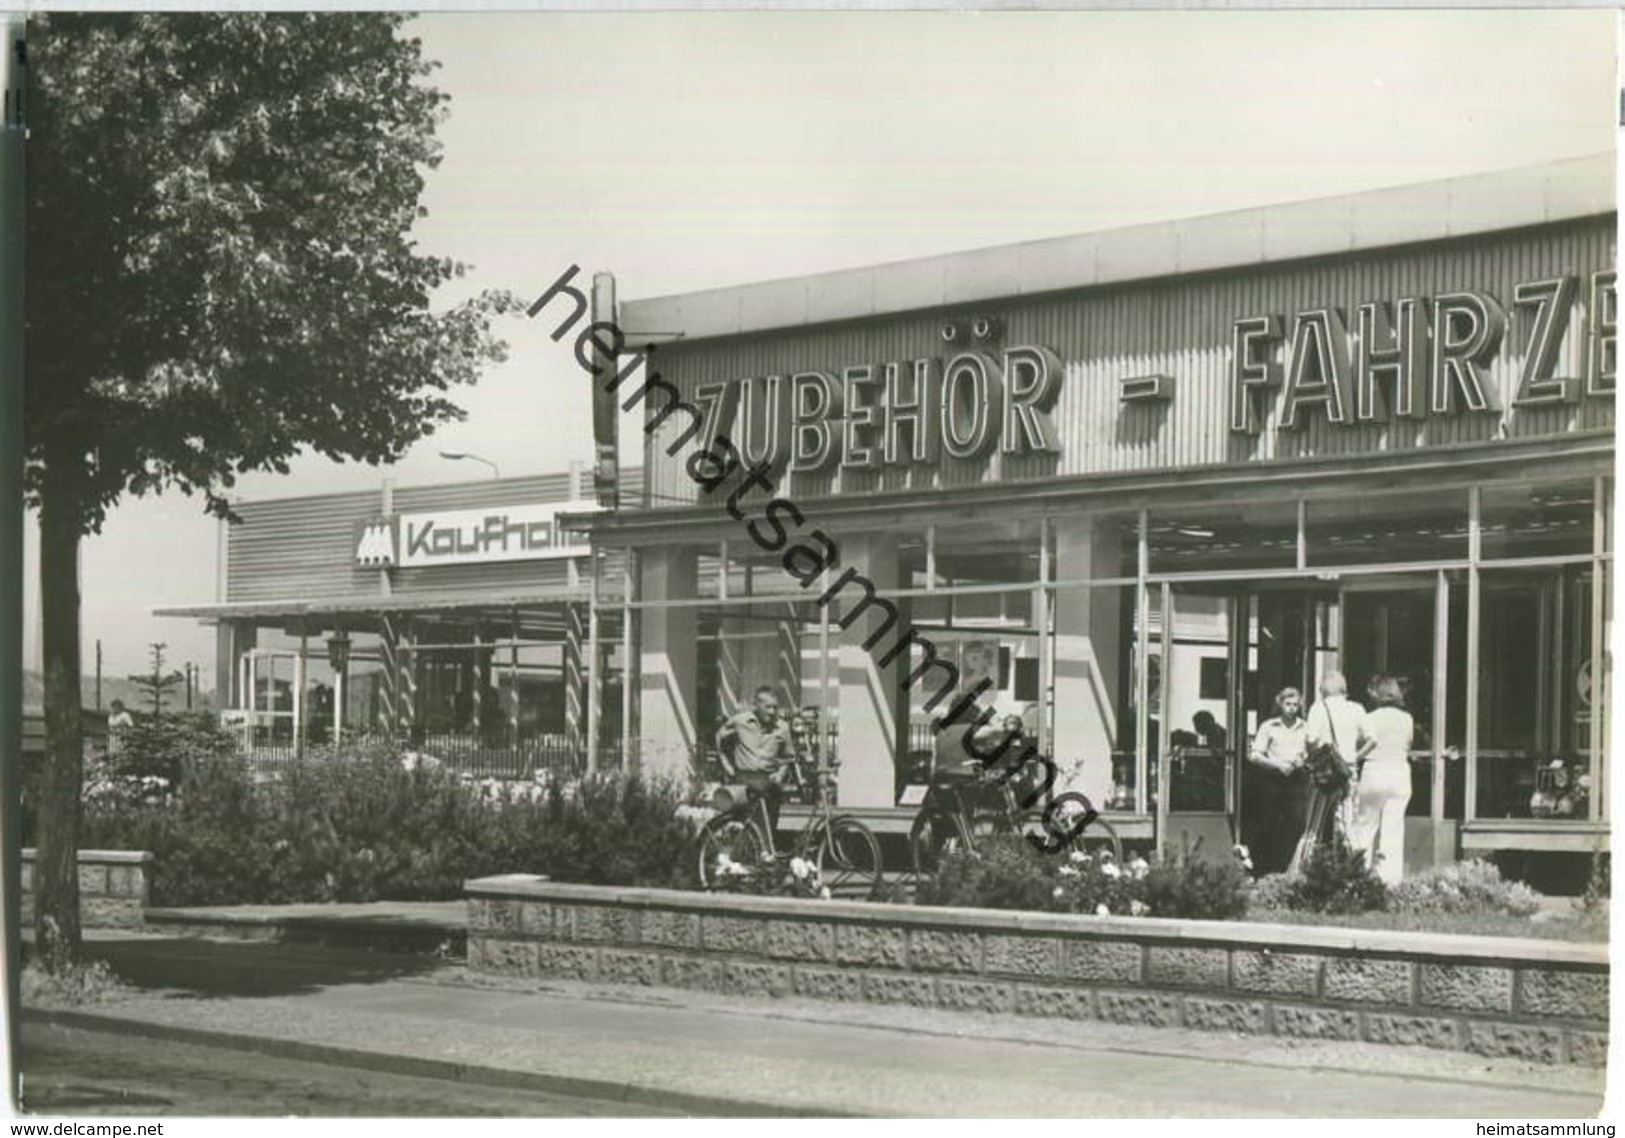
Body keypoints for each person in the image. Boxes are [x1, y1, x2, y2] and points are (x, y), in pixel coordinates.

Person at [1292, 671, 1365, 870]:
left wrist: (1313, 754)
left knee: (1313, 825)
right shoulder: (1357, 708)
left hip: (1324, 772)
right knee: (1348, 824)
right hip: (1347, 771)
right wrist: (1352, 756)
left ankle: (1302, 870)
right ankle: (1358, 872)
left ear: (1323, 688)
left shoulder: (1319, 708)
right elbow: (1370, 739)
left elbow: (1311, 739)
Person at [1350, 674, 1415, 884]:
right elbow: (1408, 743)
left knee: (1365, 826)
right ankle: (1390, 882)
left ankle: (1358, 877)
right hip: (1399, 771)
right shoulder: (1407, 719)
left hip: (1375, 769)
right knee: (1393, 829)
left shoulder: (1369, 718)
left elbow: (1358, 743)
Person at [1245, 687, 1309, 873]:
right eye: (1288, 704)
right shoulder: (1269, 726)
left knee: (1295, 823)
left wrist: (1302, 760)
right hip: (1273, 780)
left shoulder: (1305, 727)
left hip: (1296, 780)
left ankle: (1288, 866)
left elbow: (1310, 751)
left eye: (1295, 705)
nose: (1292, 708)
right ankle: (1266, 866)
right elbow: (1255, 754)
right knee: (1270, 822)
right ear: (1280, 704)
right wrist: (1277, 764)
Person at [716, 686, 795, 830]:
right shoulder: (740, 722)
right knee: (741, 827)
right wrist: (727, 766)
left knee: (767, 829)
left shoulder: (782, 728)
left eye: (775, 708)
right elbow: (719, 738)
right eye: (768, 707)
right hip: (743, 782)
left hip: (768, 782)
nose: (772, 712)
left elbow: (788, 758)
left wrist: (780, 774)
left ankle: (765, 851)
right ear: (756, 705)